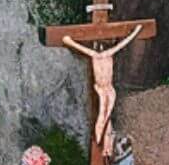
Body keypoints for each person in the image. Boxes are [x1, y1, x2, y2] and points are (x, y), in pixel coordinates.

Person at [60, 24, 145, 156]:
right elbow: (81, 48)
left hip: (109, 88)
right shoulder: (96, 55)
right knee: (102, 114)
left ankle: (107, 145)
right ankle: (100, 141)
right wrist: (69, 42)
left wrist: (136, 31)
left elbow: (123, 43)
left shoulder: (105, 54)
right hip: (101, 89)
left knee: (108, 115)